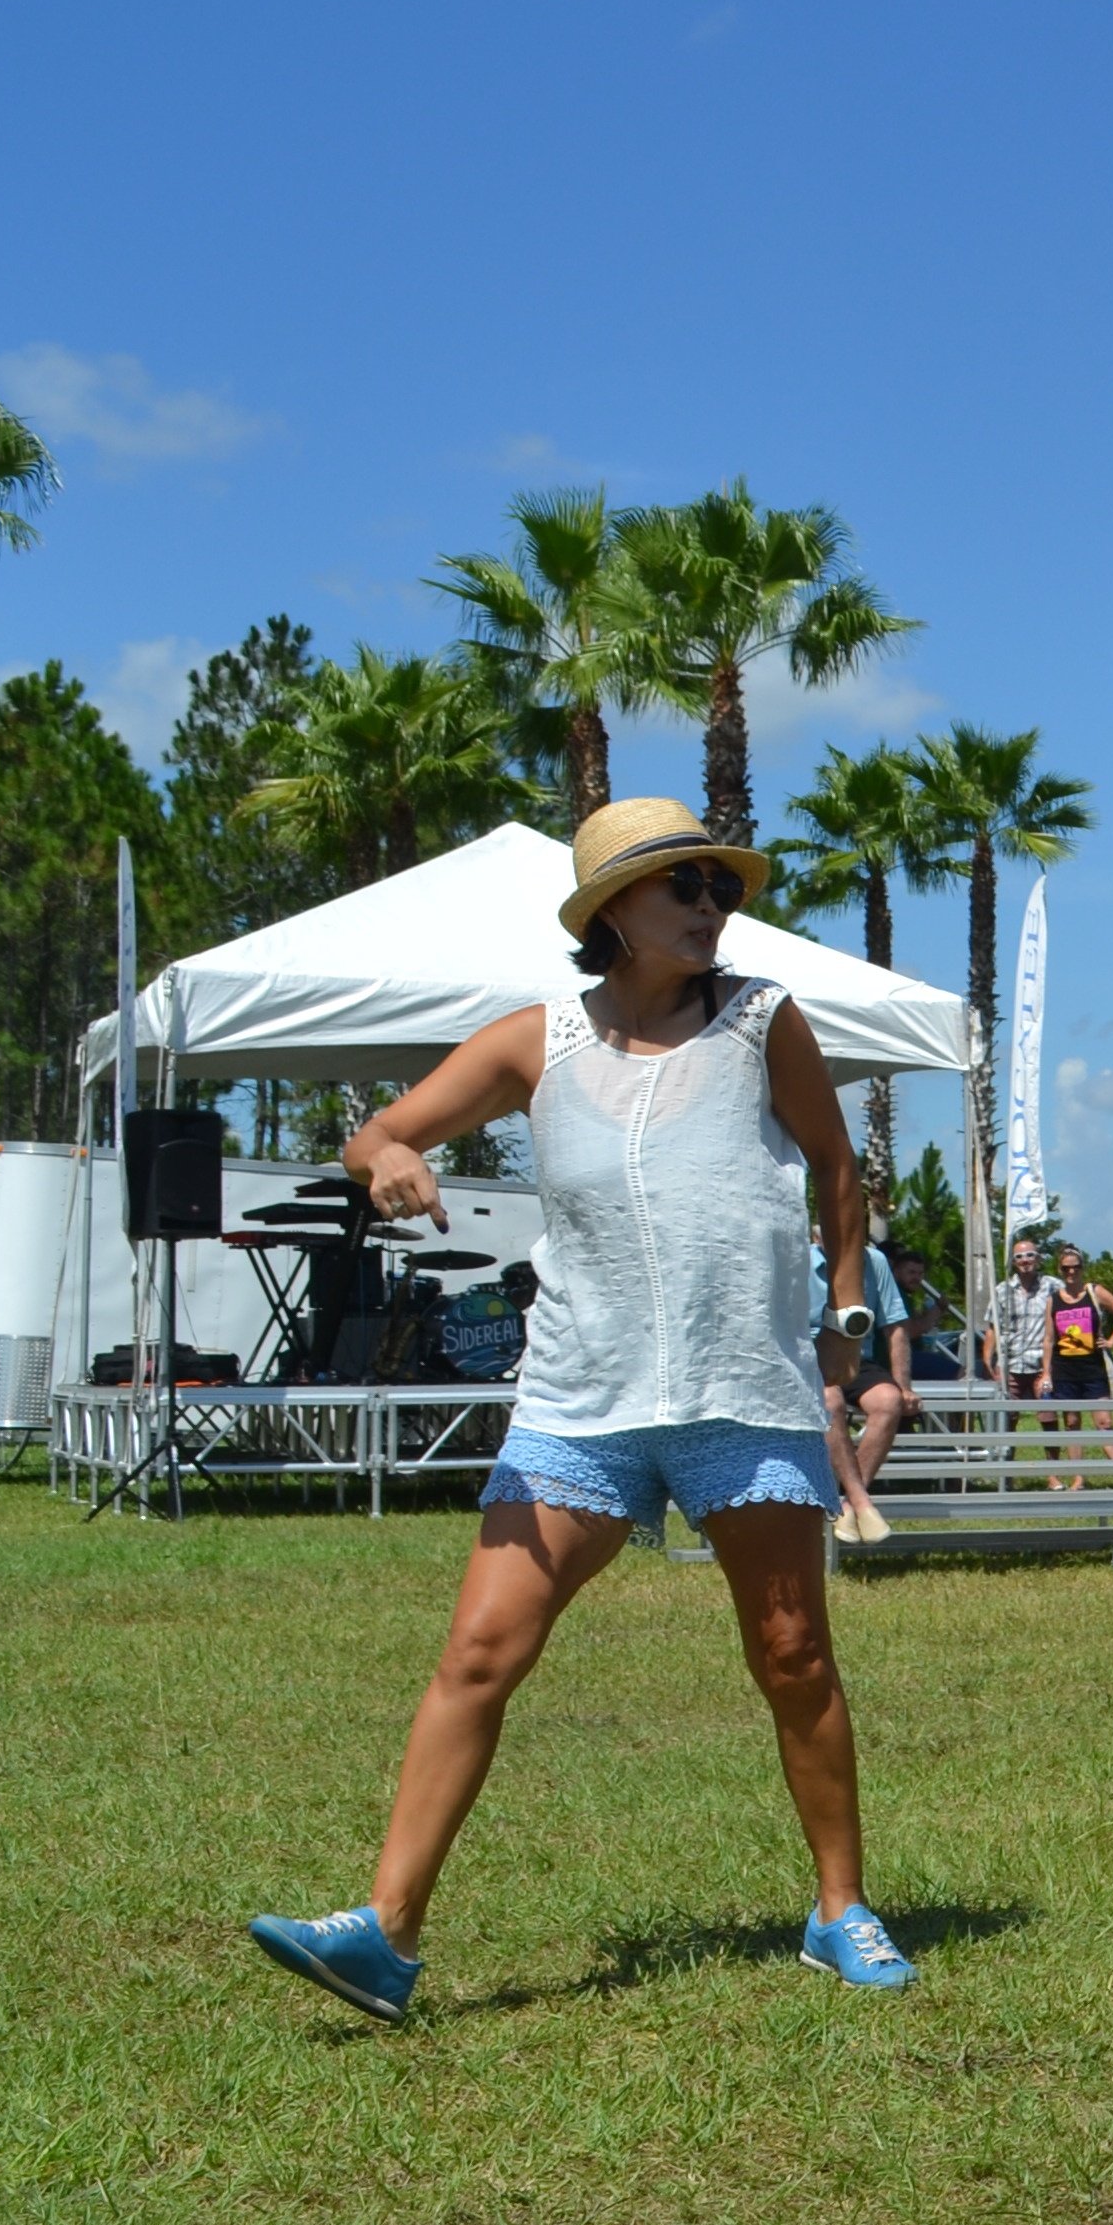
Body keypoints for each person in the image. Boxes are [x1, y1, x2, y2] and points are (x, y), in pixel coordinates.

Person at [244, 797, 912, 2017]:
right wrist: (388, 1157)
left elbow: (833, 1165)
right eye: (686, 888)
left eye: (721, 887)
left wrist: (849, 1298)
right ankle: (384, 1938)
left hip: (739, 1392)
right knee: (479, 1653)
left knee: (794, 1657)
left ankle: (840, 1911)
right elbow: (380, 1132)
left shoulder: (765, 1021)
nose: (714, 907)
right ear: (612, 912)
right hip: (578, 1401)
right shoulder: (535, 1042)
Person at [813, 1204, 915, 1547]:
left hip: (858, 1355)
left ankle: (847, 1503)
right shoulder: (798, 1261)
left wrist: (904, 1386)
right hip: (810, 1355)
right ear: (818, 1235)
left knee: (889, 1401)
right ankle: (861, 1500)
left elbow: (896, 1328)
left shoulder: (876, 1262)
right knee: (830, 1401)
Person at [1039, 1242, 1113, 1473]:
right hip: (1064, 1370)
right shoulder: (1053, 1300)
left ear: (1082, 1268)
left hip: (1093, 1368)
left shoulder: (1094, 1292)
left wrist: (1112, 1340)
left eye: (1075, 1267)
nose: (1071, 1272)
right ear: (1059, 1270)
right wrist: (1046, 1372)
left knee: (1104, 1423)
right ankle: (1078, 1477)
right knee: (1072, 1424)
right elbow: (1048, 1339)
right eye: (1066, 1268)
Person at [986, 1233, 1055, 1417]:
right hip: (1010, 1365)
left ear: (1038, 1258)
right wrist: (988, 1362)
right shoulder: (1002, 1290)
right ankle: (1007, 1447)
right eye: (1019, 1257)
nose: (1025, 1260)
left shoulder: (1052, 1287)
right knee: (1007, 1418)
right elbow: (993, 1329)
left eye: (1030, 1255)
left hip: (1042, 1365)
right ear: (1013, 1262)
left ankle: (1053, 1447)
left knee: (1048, 1415)